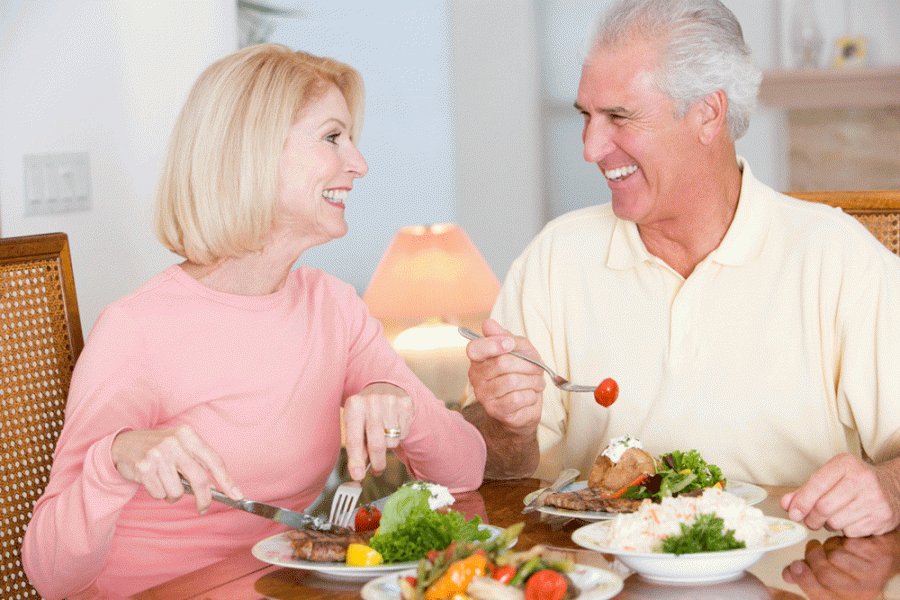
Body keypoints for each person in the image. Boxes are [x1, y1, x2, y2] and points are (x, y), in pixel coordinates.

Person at [22, 44, 486, 600]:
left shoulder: (332, 308)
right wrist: (113, 457)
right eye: (333, 137)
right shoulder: (136, 330)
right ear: (254, 153)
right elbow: (49, 574)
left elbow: (466, 470)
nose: (359, 164)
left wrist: (400, 405)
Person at [461, 0, 900, 538]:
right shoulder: (557, 256)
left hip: (794, 577)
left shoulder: (838, 258)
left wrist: (888, 488)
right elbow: (489, 466)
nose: (591, 147)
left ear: (708, 114)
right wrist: (506, 425)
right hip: (607, 576)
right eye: (586, 116)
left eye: (619, 117)